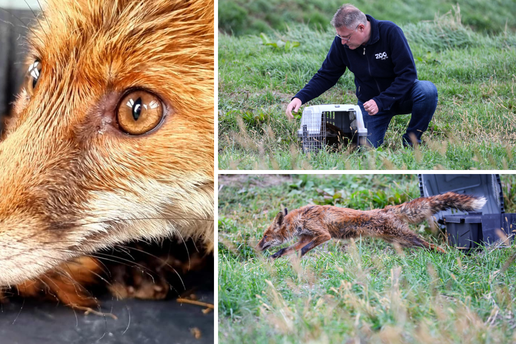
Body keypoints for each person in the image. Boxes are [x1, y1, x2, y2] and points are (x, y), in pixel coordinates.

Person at [285, 4, 438, 148]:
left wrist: (382, 101)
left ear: (361, 28)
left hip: (402, 96)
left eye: (346, 37)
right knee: (365, 149)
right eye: (339, 37)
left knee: (427, 90)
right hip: (370, 105)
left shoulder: (390, 32)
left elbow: (408, 75)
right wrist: (300, 97)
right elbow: (326, 75)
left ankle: (411, 142)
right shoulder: (341, 43)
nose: (343, 42)